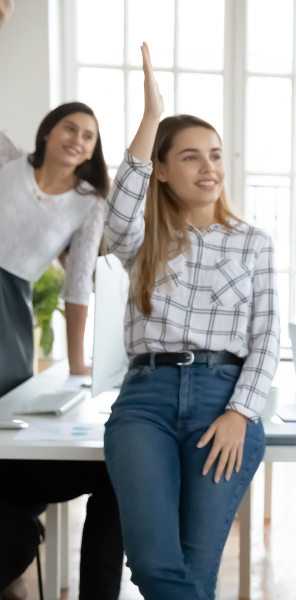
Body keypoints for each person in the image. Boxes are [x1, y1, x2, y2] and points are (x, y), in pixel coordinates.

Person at [101, 44, 279, 600]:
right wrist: (151, 117)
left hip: (222, 403)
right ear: (160, 167)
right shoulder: (142, 239)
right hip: (144, 403)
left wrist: (240, 413)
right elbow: (116, 216)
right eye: (191, 157)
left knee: (196, 576)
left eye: (217, 155)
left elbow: (267, 336)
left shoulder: (253, 243)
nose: (210, 168)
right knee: (155, 568)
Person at [0, 103, 123, 599]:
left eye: (90, 136)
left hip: (9, 308)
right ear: (48, 131)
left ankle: (12, 533)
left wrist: (77, 364)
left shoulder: (90, 202)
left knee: (8, 425)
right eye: (70, 128)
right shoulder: (7, 160)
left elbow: (77, 285)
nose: (78, 139)